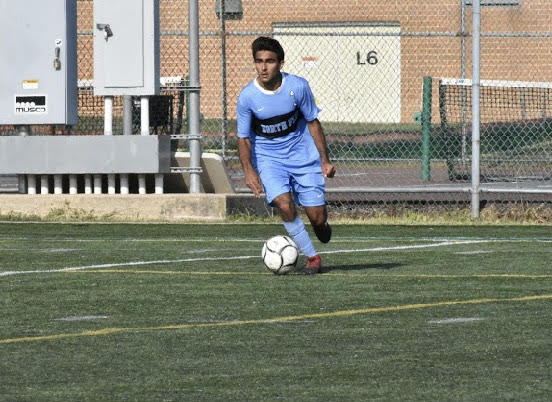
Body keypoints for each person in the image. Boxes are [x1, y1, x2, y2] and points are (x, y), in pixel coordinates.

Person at [237, 36, 335, 274]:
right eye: (259, 61)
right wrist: (249, 170)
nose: (263, 67)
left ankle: (320, 226)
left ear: (280, 63)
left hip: (303, 155)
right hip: (269, 159)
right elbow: (243, 138)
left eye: (269, 61)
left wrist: (324, 159)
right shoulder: (247, 97)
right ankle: (312, 258)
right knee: (284, 203)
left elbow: (313, 122)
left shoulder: (298, 87)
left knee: (317, 219)